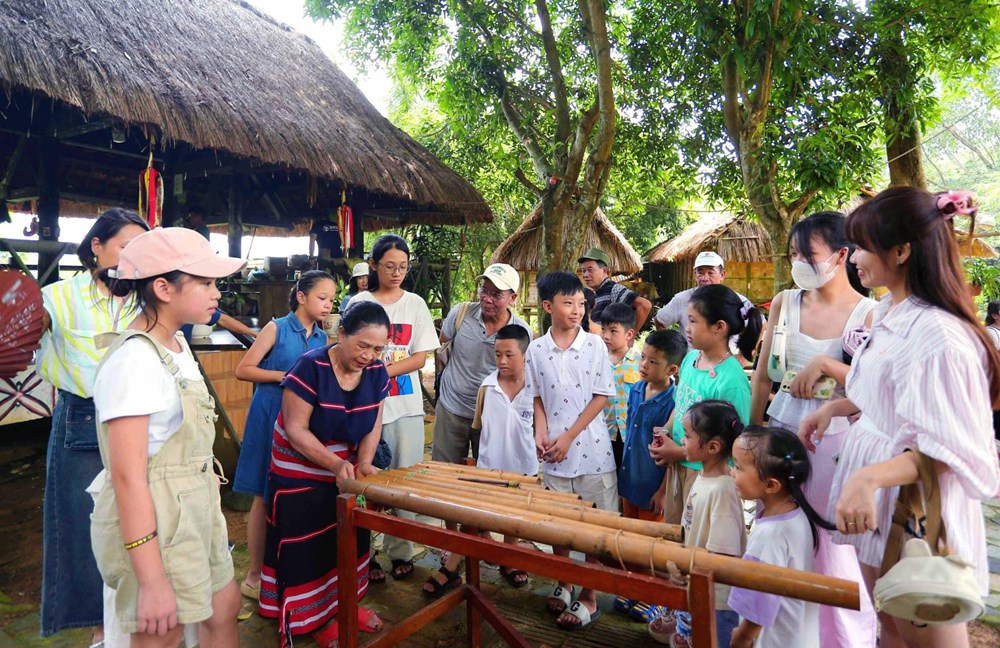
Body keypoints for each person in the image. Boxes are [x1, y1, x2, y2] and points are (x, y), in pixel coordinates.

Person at [799, 187, 1000, 648]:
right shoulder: (891, 311)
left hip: (915, 511)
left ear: (902, 250)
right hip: (883, 507)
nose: (855, 260)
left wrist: (869, 478)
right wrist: (837, 406)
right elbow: (893, 397)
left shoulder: (939, 337)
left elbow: (950, 447)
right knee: (889, 627)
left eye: (864, 247)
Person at [89, 227, 244, 647]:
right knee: (163, 628)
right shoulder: (134, 361)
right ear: (163, 287)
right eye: (206, 282)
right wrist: (152, 578)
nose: (217, 293)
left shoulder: (176, 344)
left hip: (193, 507)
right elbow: (127, 478)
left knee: (223, 607)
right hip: (156, 517)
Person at [749, 211, 877, 647]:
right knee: (781, 529)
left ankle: (841, 637)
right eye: (794, 254)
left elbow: (875, 387)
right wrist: (752, 435)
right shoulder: (786, 300)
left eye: (810, 254)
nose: (800, 262)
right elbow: (764, 374)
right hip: (783, 426)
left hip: (833, 438)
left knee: (828, 541)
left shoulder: (869, 312)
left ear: (842, 255)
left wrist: (827, 366)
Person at [35, 208, 149, 644]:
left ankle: (138, 618)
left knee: (138, 520)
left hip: (141, 418)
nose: (132, 259)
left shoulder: (148, 296)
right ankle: (101, 632)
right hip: (83, 417)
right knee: (83, 527)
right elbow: (27, 330)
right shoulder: (57, 298)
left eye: (141, 250)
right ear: (96, 247)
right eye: (124, 247)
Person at [257, 301, 390, 647]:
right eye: (362, 345)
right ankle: (312, 619)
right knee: (311, 546)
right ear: (341, 334)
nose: (369, 356)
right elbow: (296, 429)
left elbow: (373, 422)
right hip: (299, 468)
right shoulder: (309, 367)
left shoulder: (376, 372)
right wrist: (332, 465)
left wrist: (363, 463)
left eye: (378, 348)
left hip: (345, 468)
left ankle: (347, 604)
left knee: (350, 539)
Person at [231, 270, 336, 601]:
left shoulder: (322, 338)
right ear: (302, 297)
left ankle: (284, 573)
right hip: (268, 416)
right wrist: (287, 376)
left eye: (332, 300)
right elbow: (244, 369)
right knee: (262, 495)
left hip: (301, 424)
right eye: (322, 298)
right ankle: (253, 576)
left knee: (290, 495)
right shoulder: (276, 327)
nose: (328, 305)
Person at [526, 271, 617, 631]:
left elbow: (601, 397)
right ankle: (565, 582)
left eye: (581, 303)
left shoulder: (595, 345)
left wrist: (568, 437)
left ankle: (589, 595)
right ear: (548, 306)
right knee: (559, 526)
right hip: (552, 453)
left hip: (592, 452)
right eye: (569, 303)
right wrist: (541, 431)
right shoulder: (536, 348)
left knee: (592, 528)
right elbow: (536, 395)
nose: (577, 310)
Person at [350, 234, 439, 581]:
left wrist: (379, 371)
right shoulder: (359, 301)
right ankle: (365, 554)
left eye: (402, 266)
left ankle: (401, 551)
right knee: (364, 480)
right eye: (389, 266)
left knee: (405, 481)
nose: (397, 272)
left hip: (406, 407)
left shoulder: (415, 303)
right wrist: (370, 375)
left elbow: (420, 357)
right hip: (364, 409)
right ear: (373, 265)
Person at [424, 325, 536, 597]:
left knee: (514, 519)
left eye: (509, 355)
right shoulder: (487, 386)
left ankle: (508, 560)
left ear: (526, 355)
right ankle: (455, 561)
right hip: (489, 467)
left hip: (524, 469)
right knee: (477, 516)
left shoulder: (536, 388)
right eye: (498, 354)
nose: (502, 361)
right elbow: (478, 426)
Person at [649, 284, 761, 525]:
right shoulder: (691, 359)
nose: (686, 329)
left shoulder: (731, 381)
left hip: (707, 476)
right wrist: (666, 431)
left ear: (719, 327)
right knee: (675, 536)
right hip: (678, 467)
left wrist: (677, 452)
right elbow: (681, 405)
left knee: (697, 540)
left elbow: (733, 445)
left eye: (693, 321)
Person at [727, 426, 837, 648]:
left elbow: (759, 598)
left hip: (776, 640)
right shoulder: (797, 513)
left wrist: (743, 637)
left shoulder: (770, 534)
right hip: (800, 635)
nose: (731, 471)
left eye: (738, 467)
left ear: (771, 485)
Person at [649, 400, 746, 647]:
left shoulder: (723, 490)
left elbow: (722, 556)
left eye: (688, 435)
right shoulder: (704, 476)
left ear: (712, 446)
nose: (681, 439)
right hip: (698, 588)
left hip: (716, 601)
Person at [432, 262, 531, 465]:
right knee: (443, 471)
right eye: (484, 290)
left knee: (488, 474)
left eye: (496, 294)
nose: (486, 299)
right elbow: (443, 342)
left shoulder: (521, 332)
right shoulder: (460, 314)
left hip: (492, 414)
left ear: (512, 298)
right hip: (452, 407)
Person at [619, 329, 687, 521]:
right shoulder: (636, 388)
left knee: (648, 543)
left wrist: (663, 492)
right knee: (626, 537)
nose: (643, 365)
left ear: (672, 370)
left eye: (653, 362)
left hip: (653, 488)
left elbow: (671, 452)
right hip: (629, 480)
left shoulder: (674, 403)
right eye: (643, 357)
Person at [654, 251, 749, 330]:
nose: (705, 278)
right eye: (700, 272)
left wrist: (746, 351)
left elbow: (760, 324)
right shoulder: (682, 299)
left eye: (711, 272)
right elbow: (660, 320)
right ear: (695, 274)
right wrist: (671, 348)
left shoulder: (738, 301)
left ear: (722, 275)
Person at [599, 303, 642, 470]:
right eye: (603, 330)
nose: (606, 336)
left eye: (613, 331)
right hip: (605, 433)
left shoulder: (640, 362)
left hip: (631, 433)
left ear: (629, 334)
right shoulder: (599, 361)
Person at [578, 247, 652, 330]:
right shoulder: (592, 293)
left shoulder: (614, 289)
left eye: (590, 270)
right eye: (583, 271)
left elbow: (645, 305)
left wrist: (632, 334)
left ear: (604, 271)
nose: (585, 275)